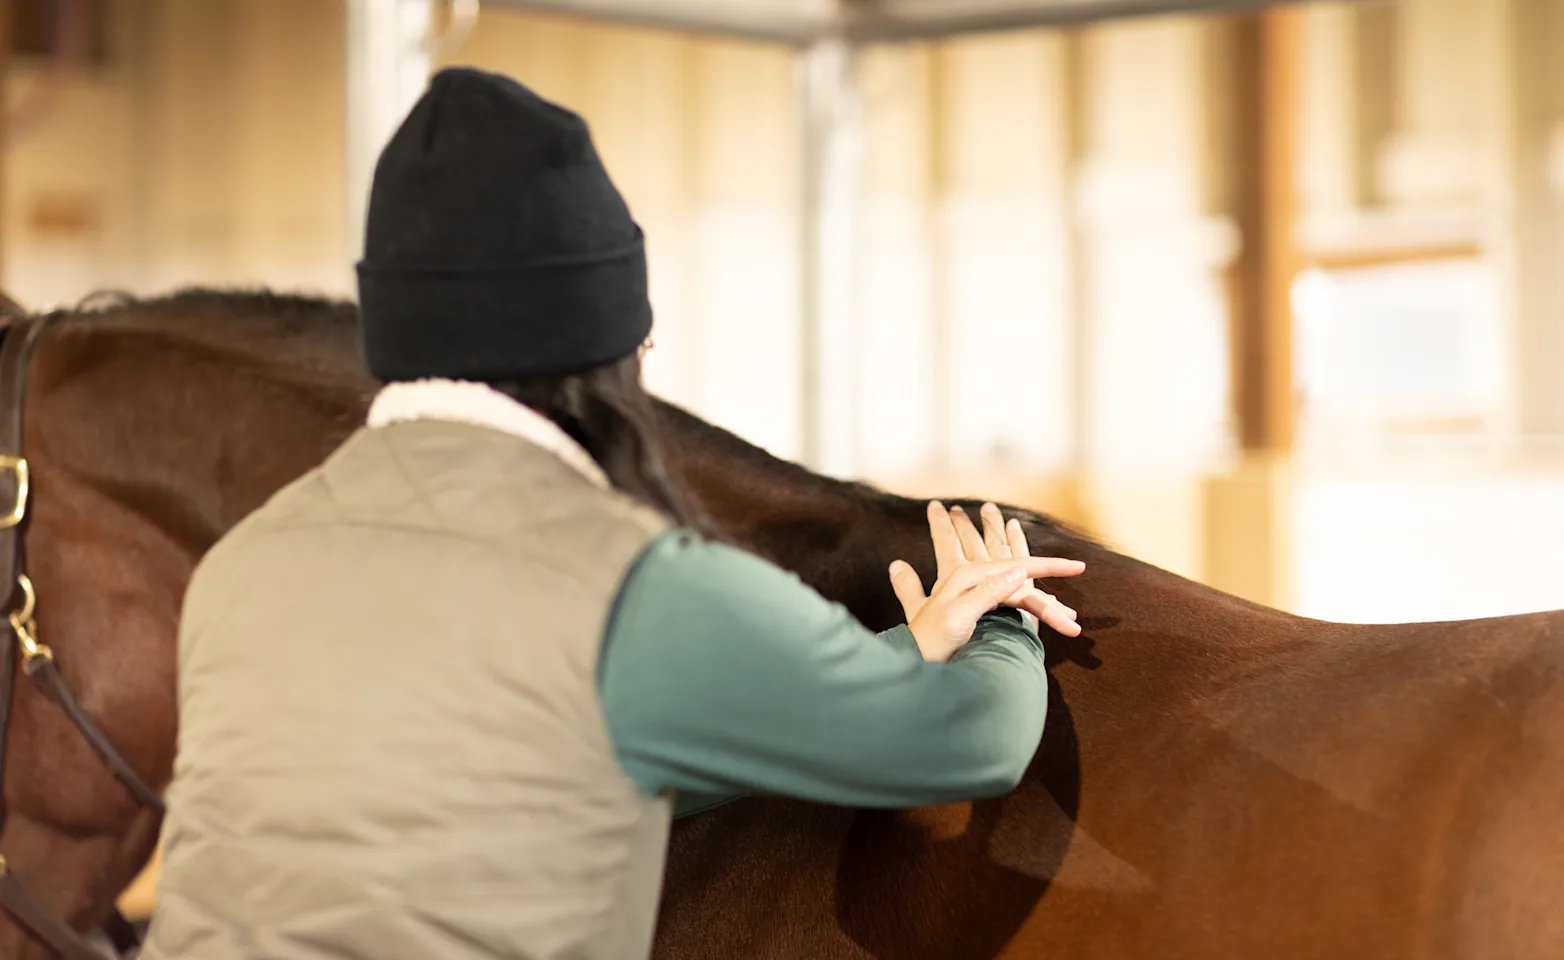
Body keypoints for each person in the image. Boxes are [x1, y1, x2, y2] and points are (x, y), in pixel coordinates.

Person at [142, 67, 1085, 960]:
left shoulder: (245, 559)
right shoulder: (631, 582)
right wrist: (1000, 616)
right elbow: (965, 741)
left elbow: (558, 762)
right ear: (617, 354)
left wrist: (896, 653)